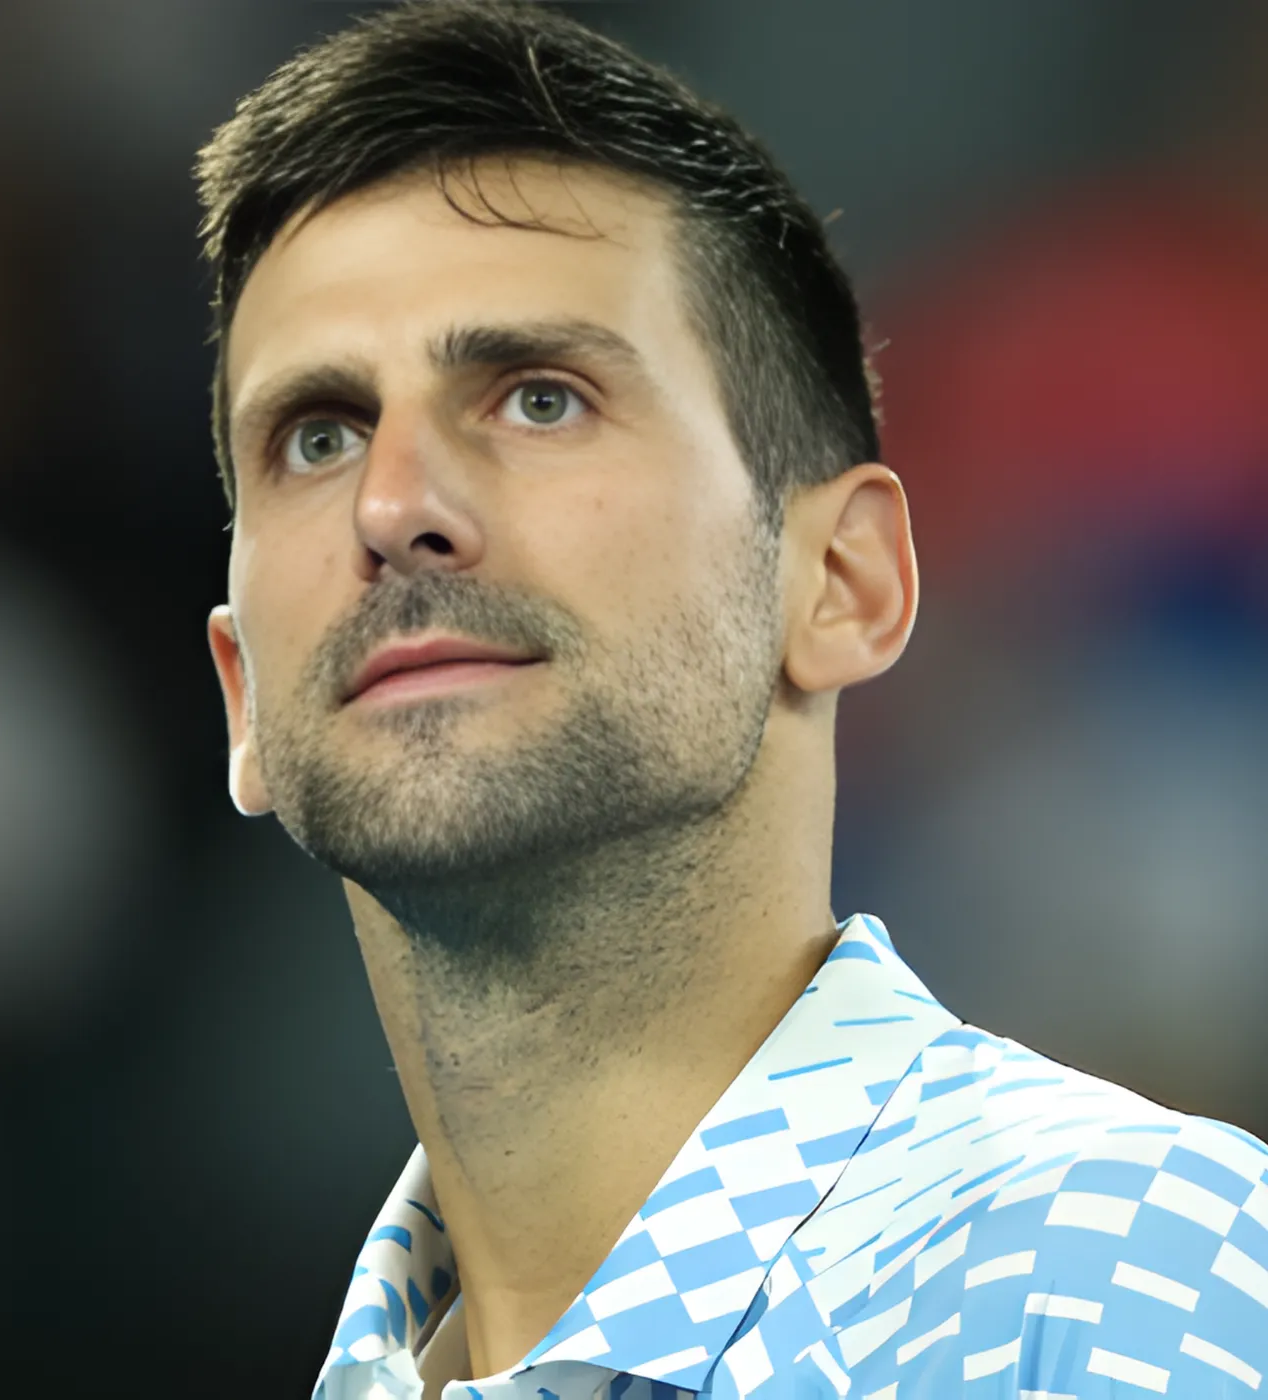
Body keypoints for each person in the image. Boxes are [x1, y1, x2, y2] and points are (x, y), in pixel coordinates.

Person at [194, 2, 1268, 1395]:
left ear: (841, 582)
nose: (393, 505)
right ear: (244, 694)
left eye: (538, 398)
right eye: (319, 436)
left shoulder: (1131, 1271)